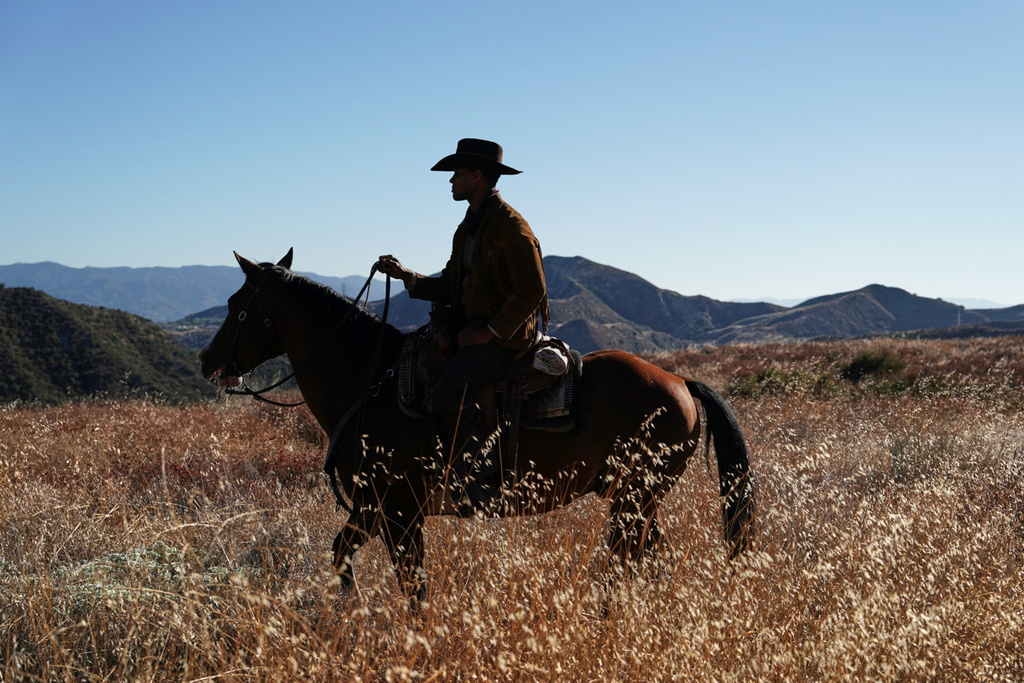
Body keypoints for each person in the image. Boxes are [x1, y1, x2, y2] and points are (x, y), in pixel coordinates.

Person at [376, 138, 549, 505]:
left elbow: (532, 289)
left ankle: (479, 479)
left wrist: (489, 332)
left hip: (508, 336)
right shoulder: (468, 227)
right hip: (477, 327)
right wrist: (407, 275)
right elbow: (453, 284)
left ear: (477, 176)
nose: (451, 181)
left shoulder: (511, 227)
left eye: (457, 174)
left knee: (451, 389)